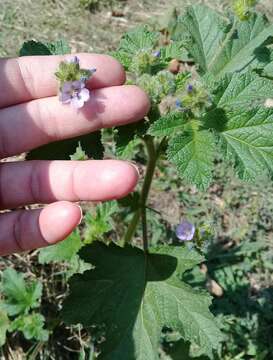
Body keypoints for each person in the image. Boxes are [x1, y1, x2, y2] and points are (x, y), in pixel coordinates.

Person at [0, 53, 150, 255]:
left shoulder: (76, 89)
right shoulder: (70, 91)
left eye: (77, 88)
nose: (74, 91)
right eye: (71, 90)